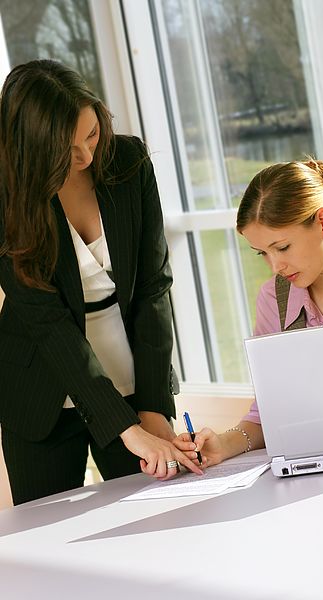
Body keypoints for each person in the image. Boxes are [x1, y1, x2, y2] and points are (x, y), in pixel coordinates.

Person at [0, 59, 202, 505]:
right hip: (40, 388)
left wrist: (151, 407)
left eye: (90, 135)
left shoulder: (128, 162)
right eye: (64, 150)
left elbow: (153, 287)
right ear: (30, 147)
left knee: (162, 521)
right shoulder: (7, 196)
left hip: (134, 375)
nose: (86, 158)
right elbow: (48, 324)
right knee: (47, 541)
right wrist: (125, 428)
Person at [173, 157, 323, 466]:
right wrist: (222, 444)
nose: (275, 266)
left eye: (282, 247)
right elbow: (270, 410)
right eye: (262, 253)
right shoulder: (273, 300)